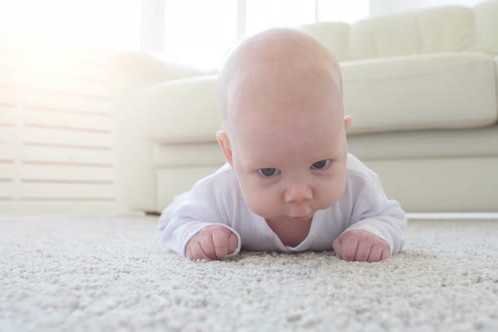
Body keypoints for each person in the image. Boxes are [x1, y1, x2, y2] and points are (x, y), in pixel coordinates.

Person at [157, 28, 406, 262]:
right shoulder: (221, 191)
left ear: (342, 135)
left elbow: (389, 218)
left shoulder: (358, 184)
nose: (299, 193)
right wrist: (200, 233)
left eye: (320, 164)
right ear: (230, 153)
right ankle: (180, 199)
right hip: (198, 202)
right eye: (268, 171)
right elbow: (180, 223)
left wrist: (372, 232)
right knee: (182, 207)